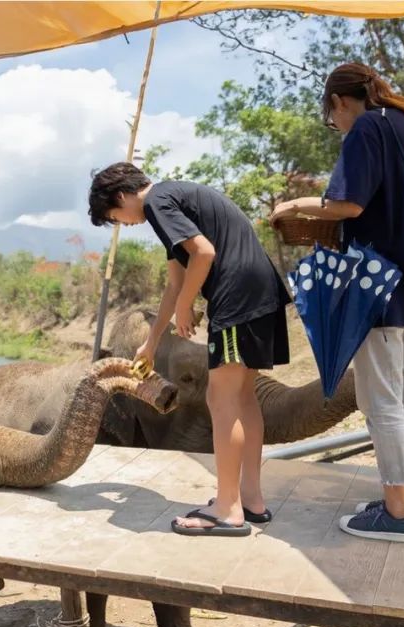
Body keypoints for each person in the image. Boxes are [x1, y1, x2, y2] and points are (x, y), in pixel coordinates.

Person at [270, 62, 404, 543]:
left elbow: (349, 205)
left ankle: (397, 513)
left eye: (332, 117)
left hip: (379, 288)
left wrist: (294, 205)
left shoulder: (368, 126)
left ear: (340, 102)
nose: (337, 124)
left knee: (381, 402)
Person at [88, 163, 291, 537]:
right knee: (243, 397)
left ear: (119, 197)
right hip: (261, 291)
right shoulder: (175, 201)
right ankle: (251, 500)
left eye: (115, 218)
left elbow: (204, 253)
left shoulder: (158, 202)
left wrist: (186, 305)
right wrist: (151, 343)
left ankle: (228, 509)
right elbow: (175, 284)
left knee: (221, 399)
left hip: (238, 296)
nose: (124, 223)